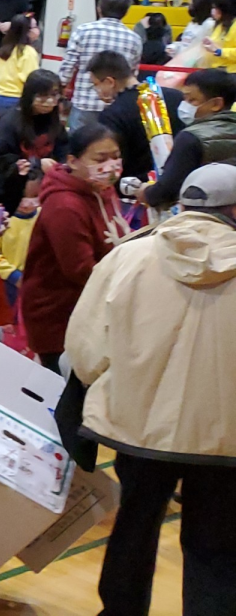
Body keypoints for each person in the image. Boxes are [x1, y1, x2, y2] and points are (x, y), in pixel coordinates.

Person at [66, 163, 236, 616]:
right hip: (223, 439)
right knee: (215, 547)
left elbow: (84, 350)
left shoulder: (128, 256)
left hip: (135, 426)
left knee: (134, 527)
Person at [22, 123, 129, 372]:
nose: (110, 165)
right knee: (66, 386)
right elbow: (81, 269)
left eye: (115, 157)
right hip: (60, 314)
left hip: (95, 306)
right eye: (100, 159)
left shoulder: (102, 188)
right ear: (73, 161)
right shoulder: (64, 205)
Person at [143, 67, 236, 208]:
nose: (184, 106)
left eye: (192, 100)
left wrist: (146, 192)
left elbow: (166, 192)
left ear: (216, 104)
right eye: (184, 99)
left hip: (203, 214)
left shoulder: (190, 138)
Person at [88, 49, 185, 184]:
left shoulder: (112, 114)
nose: (96, 91)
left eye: (96, 85)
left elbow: (113, 161)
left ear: (110, 82)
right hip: (180, 180)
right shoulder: (176, 96)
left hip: (134, 186)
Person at [56, 0, 143, 128]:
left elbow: (68, 67)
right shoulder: (135, 39)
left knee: (80, 140)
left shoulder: (82, 31)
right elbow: (132, 74)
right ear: (126, 12)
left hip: (84, 102)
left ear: (99, 8)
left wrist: (60, 90)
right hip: (116, 105)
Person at [0, 69, 67, 211]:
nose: (50, 101)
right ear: (29, 95)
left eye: (54, 95)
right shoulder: (9, 123)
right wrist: (37, 164)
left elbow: (64, 150)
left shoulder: (54, 121)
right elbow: (2, 163)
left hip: (46, 189)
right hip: (13, 193)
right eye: (42, 96)